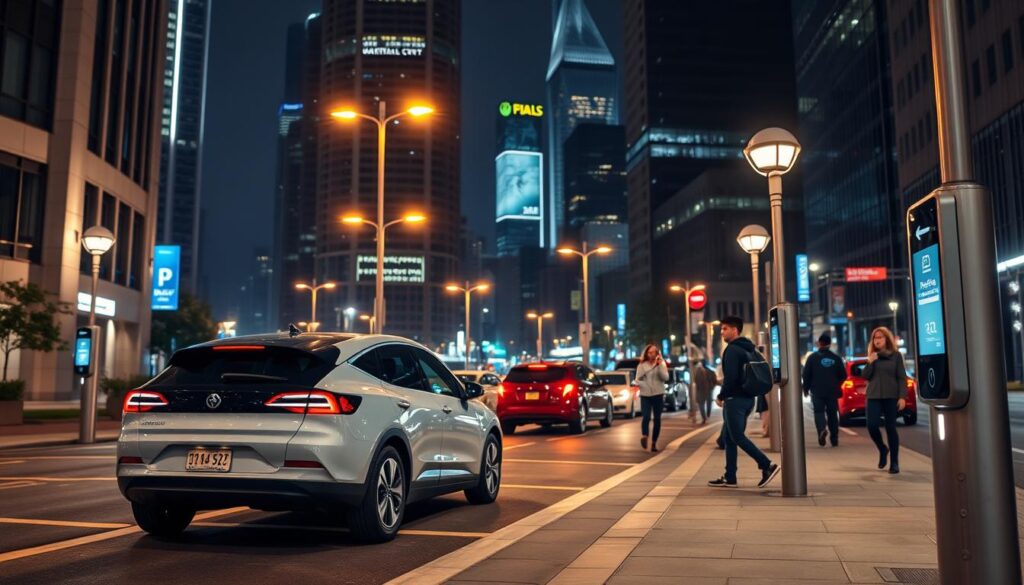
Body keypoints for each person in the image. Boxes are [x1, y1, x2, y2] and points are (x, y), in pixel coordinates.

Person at [708, 316, 780, 488]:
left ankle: (767, 465)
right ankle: (730, 477)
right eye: (721, 329)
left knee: (737, 437)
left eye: (725, 329)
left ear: (735, 330)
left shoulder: (732, 350)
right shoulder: (750, 349)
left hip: (735, 400)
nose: (722, 332)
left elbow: (730, 378)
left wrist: (721, 396)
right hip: (748, 399)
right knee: (729, 437)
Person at [862, 326, 907, 474]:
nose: (877, 340)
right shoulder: (872, 356)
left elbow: (901, 377)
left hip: (891, 395)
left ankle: (894, 463)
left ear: (886, 339)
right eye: (875, 338)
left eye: (880, 337)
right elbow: (865, 376)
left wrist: (902, 397)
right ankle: (882, 448)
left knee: (891, 428)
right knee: (872, 425)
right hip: (874, 395)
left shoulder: (896, 355)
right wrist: (870, 362)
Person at [802, 333, 848, 447]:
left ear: (819, 343)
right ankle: (834, 438)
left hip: (817, 391)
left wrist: (806, 388)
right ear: (830, 343)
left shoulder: (812, 358)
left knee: (819, 412)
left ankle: (822, 430)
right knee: (832, 414)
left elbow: (806, 374)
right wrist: (837, 384)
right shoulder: (836, 358)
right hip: (832, 391)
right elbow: (843, 375)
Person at [635, 344, 669, 452]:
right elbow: (637, 379)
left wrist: (659, 366)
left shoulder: (661, 364)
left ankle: (654, 442)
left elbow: (665, 378)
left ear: (657, 353)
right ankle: (645, 436)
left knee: (657, 419)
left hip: (658, 394)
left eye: (653, 352)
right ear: (646, 353)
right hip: (645, 395)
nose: (651, 355)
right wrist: (644, 385)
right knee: (646, 417)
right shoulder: (642, 365)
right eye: (649, 352)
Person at [692, 358, 717, 425]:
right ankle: (707, 415)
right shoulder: (711, 371)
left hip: (701, 390)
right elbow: (715, 381)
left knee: (701, 404)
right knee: (708, 403)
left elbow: (695, 380)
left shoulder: (698, 372)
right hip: (708, 390)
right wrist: (711, 387)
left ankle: (704, 417)